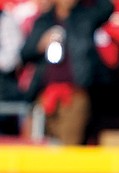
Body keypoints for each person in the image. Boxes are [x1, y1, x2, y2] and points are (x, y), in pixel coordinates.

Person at [19, 0, 113, 144]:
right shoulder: (44, 21)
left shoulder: (85, 18)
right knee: (37, 144)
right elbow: (25, 53)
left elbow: (107, 7)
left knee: (69, 144)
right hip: (45, 94)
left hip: (74, 94)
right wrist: (40, 44)